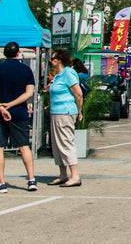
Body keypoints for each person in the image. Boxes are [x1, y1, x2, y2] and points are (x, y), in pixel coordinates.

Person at [0, 41, 37, 193]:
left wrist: (1, 107)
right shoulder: (26, 70)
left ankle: (1, 183)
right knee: (23, 146)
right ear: (18, 53)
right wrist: (11, 105)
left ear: (4, 53)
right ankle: (31, 180)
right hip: (19, 113)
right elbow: (29, 93)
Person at [47, 49, 84, 187]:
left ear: (59, 59)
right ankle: (63, 174)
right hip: (56, 112)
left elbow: (78, 94)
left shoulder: (68, 73)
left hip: (65, 112)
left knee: (66, 142)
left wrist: (79, 111)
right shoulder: (58, 75)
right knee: (57, 144)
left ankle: (75, 175)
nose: (51, 61)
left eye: (53, 58)